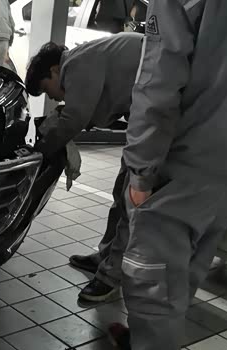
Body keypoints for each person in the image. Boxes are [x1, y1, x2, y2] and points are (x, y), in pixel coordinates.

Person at [103, 0, 227, 350]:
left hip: (186, 156)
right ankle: (148, 343)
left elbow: (159, 79)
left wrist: (140, 171)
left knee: (151, 274)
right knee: (190, 263)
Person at [25, 33, 142, 302]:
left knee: (131, 199)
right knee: (121, 192)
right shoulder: (83, 60)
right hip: (147, 116)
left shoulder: (77, 65)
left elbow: (74, 118)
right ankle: (106, 256)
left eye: (47, 89)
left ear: (54, 70)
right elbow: (98, 109)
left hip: (166, 120)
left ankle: (111, 276)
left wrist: (41, 151)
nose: (53, 98)